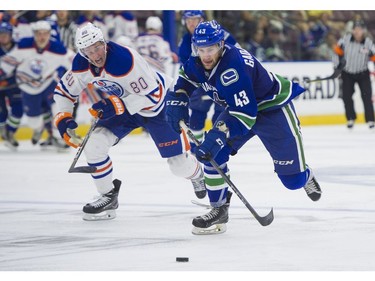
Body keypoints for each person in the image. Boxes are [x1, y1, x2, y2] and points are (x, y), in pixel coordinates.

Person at [165, 20, 322, 235]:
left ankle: (305, 174)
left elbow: (245, 116)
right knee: (214, 154)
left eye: (210, 49)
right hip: (239, 108)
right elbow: (184, 78)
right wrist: (178, 99)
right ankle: (219, 208)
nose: (206, 55)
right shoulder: (197, 60)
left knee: (292, 181)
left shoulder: (233, 67)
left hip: (272, 109)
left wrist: (219, 135)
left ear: (221, 45)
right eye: (201, 50)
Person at [53, 22, 207, 221]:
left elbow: (153, 96)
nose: (96, 55)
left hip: (159, 106)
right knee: (94, 144)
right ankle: (108, 196)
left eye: (98, 47)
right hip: (126, 105)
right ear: (82, 52)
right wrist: (63, 117)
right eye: (89, 51)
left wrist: (115, 103)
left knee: (178, 167)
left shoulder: (125, 60)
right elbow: (64, 91)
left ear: (104, 43)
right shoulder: (81, 65)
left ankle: (197, 175)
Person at [0, 20, 71, 149]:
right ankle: (39, 128)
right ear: (34, 34)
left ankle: (57, 136)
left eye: (45, 33)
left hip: (49, 83)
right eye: (39, 33)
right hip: (27, 87)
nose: (42, 37)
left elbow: (73, 61)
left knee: (57, 106)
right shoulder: (24, 45)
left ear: (50, 34)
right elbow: (7, 63)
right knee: (33, 121)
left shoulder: (58, 48)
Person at [178, 10, 239, 148]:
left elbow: (239, 55)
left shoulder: (220, 33)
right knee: (197, 115)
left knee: (220, 115)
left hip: (223, 82)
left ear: (203, 19)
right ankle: (196, 146)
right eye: (188, 20)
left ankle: (216, 145)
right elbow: (186, 66)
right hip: (201, 83)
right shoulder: (186, 40)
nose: (191, 24)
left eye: (194, 19)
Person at [333, 19, 375, 129]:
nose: (357, 32)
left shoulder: (368, 42)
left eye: (359, 29)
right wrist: (337, 68)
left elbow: (374, 56)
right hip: (347, 73)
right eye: (355, 29)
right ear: (352, 30)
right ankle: (350, 118)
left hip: (363, 73)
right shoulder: (345, 40)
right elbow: (336, 53)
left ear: (363, 31)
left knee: (366, 97)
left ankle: (370, 120)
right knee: (346, 97)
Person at [0, 22, 23, 149]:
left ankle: (10, 132)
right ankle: (3, 130)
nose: (2, 37)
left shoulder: (18, 48)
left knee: (18, 110)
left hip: (14, 85)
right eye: (0, 35)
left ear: (11, 35)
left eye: (5, 34)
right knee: (1, 113)